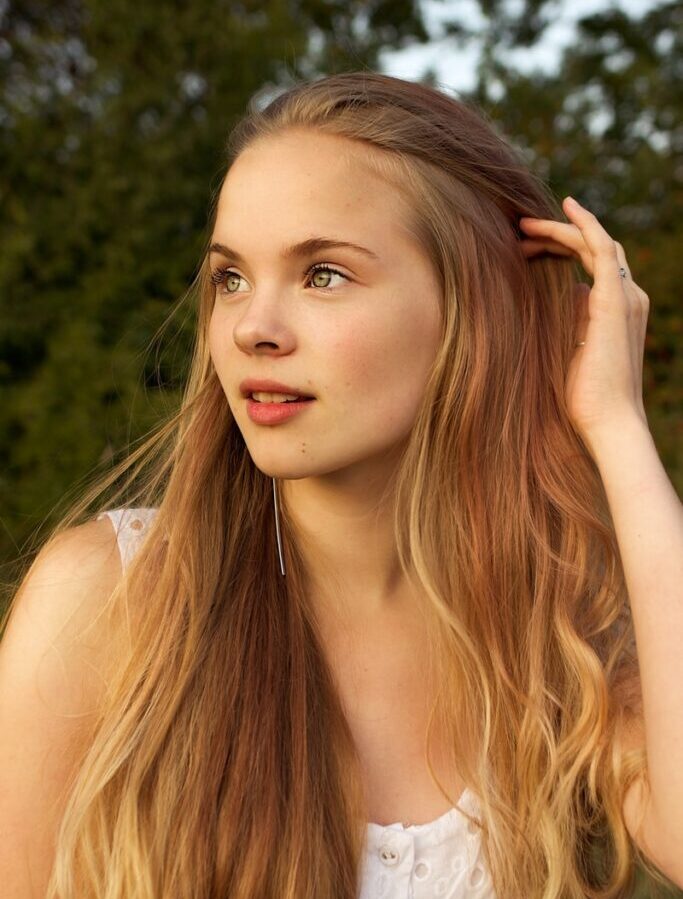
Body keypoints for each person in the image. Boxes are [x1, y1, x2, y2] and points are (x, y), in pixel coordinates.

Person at [1, 70, 681, 899]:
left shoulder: (554, 646)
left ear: (473, 312)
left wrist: (614, 423)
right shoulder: (110, 605)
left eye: (323, 273)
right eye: (230, 278)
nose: (253, 327)